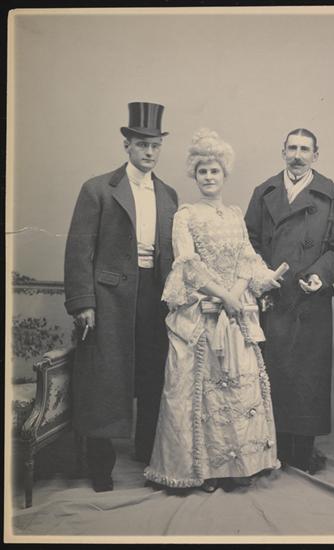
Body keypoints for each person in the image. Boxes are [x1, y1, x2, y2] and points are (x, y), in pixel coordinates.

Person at [144, 129, 282, 493]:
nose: (208, 177)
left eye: (214, 171)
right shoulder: (186, 215)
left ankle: (240, 466)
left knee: (235, 386)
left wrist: (247, 288)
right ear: (195, 174)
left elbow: (247, 258)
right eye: (202, 171)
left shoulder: (235, 215)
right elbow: (187, 265)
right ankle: (203, 471)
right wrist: (222, 295)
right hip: (200, 313)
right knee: (200, 390)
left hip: (234, 314)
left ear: (224, 174)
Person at [64, 102, 178, 492]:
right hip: (109, 298)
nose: (149, 152)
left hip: (155, 296)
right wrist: (84, 303)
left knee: (152, 374)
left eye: (155, 145)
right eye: (142, 144)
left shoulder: (168, 194)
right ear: (126, 145)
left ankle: (148, 455)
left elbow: (174, 254)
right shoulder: (98, 189)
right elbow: (79, 249)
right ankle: (100, 468)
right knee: (105, 379)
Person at [244, 128, 334, 472]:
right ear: (283, 152)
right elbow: (248, 243)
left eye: (305, 149)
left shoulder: (333, 194)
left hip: (310, 299)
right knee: (272, 372)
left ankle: (303, 451)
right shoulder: (264, 192)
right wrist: (262, 276)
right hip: (272, 296)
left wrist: (320, 275)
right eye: (292, 148)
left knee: (307, 376)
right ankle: (271, 449)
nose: (297, 155)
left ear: (315, 156)